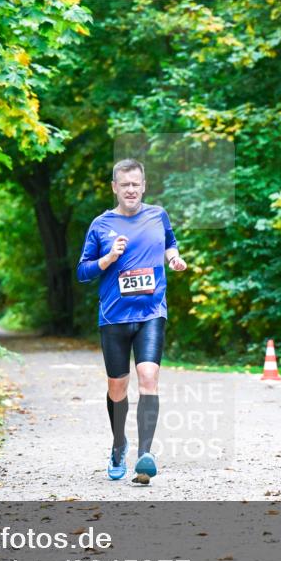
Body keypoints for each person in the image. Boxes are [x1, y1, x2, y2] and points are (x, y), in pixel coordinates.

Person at [76, 159, 187, 484]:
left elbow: (169, 241)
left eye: (136, 184)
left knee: (149, 376)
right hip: (113, 317)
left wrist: (174, 259)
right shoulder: (101, 225)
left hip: (152, 312)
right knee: (117, 388)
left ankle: (145, 456)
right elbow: (82, 272)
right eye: (125, 185)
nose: (131, 190)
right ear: (114, 187)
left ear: (144, 185)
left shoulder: (157, 215)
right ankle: (118, 444)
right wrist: (109, 258)